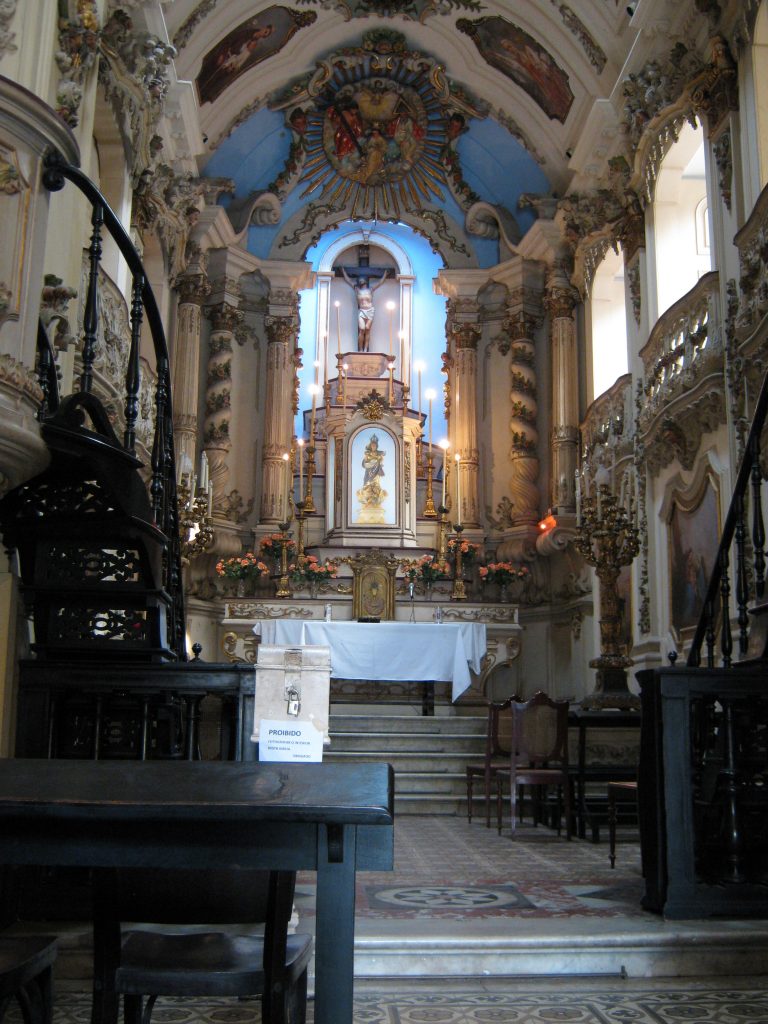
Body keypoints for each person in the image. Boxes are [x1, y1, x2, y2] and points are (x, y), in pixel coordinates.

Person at [340, 266, 389, 351]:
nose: (360, 280)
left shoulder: (370, 290)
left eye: (362, 279)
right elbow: (348, 280)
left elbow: (380, 282)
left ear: (365, 281)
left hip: (370, 311)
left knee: (367, 329)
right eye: (359, 279)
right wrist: (343, 271)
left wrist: (385, 274)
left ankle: (365, 348)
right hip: (362, 311)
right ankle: (360, 349)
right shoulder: (357, 289)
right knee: (362, 329)